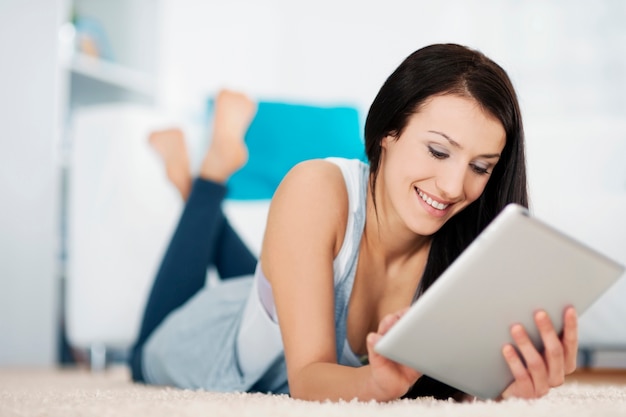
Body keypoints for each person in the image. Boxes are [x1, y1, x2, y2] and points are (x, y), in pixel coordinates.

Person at [129, 43, 579, 402]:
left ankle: (197, 183)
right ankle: (208, 177)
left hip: (271, 295)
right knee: (141, 353)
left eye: (480, 167)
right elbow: (306, 379)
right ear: (388, 131)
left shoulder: (472, 242)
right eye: (438, 151)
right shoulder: (316, 188)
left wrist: (503, 385)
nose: (452, 186)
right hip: (214, 340)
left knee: (269, 278)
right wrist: (374, 385)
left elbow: (446, 385)